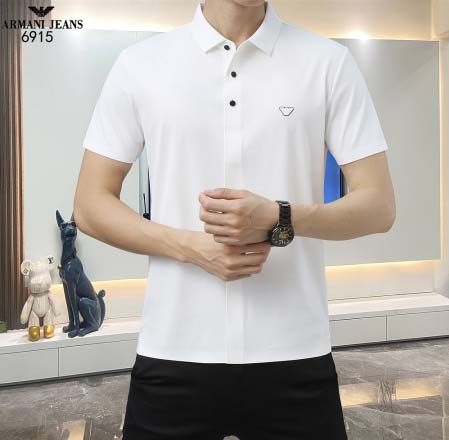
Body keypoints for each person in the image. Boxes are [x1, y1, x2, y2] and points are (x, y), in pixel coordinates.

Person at [74, 0, 396, 439]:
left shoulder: (328, 63)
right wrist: (193, 249)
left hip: (295, 352)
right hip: (174, 349)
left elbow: (379, 205)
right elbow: (90, 204)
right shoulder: (141, 64)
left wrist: (280, 217)